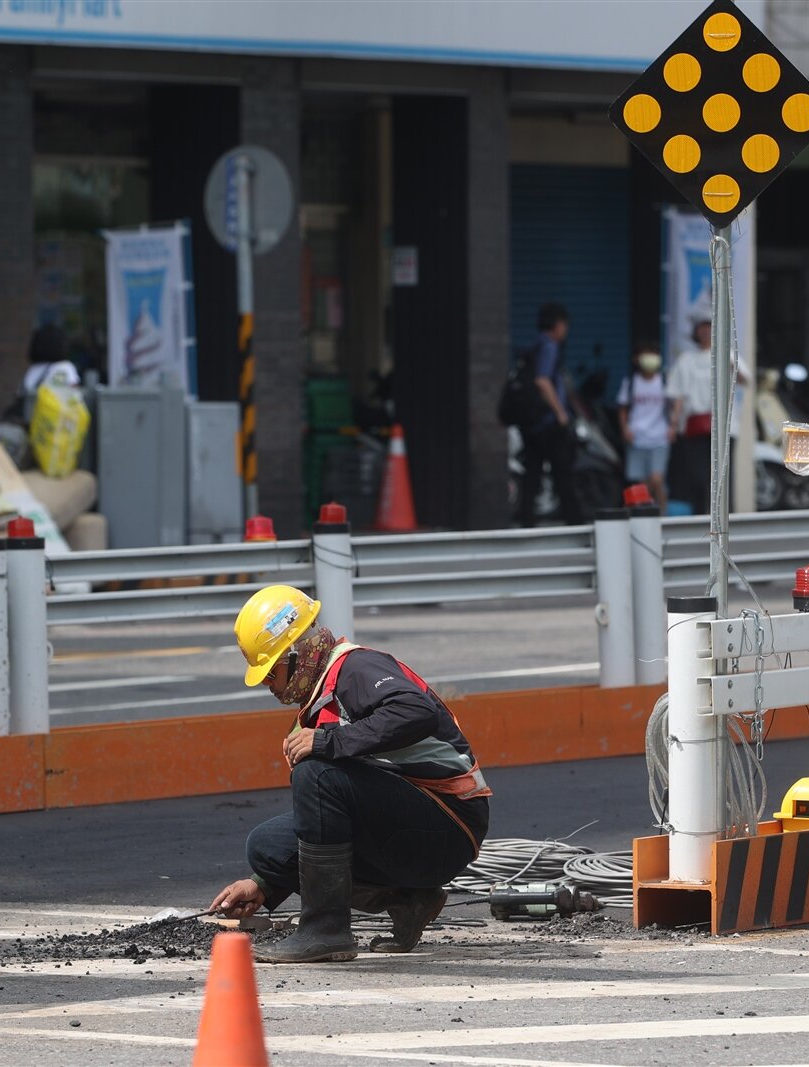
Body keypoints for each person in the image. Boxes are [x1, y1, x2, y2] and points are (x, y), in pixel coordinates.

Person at [210, 585, 491, 963]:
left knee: (317, 773)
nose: (267, 684)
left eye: (271, 671)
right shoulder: (322, 697)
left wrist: (328, 742)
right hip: (411, 827)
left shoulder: (356, 668)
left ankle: (325, 931)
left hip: (449, 822)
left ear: (297, 655)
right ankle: (409, 900)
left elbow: (416, 712)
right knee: (266, 847)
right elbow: (331, 816)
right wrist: (263, 886)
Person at [666, 317, 747, 513]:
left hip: (723, 425)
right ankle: (701, 515)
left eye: (709, 328)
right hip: (695, 425)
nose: (704, 332)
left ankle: (726, 517)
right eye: (701, 328)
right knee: (697, 475)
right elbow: (678, 395)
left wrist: (727, 359)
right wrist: (674, 424)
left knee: (723, 475)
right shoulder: (687, 359)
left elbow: (745, 379)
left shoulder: (726, 354)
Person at [517, 302, 585, 526]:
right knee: (563, 472)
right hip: (548, 422)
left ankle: (526, 520)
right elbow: (543, 381)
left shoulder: (535, 345)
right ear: (557, 325)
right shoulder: (550, 346)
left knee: (533, 472)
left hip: (532, 423)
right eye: (564, 324)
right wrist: (561, 413)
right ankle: (575, 522)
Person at [616, 343, 672, 511]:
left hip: (659, 437)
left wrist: (673, 427)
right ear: (636, 359)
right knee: (641, 484)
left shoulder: (664, 381)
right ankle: (644, 516)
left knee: (657, 479)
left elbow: (675, 404)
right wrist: (625, 429)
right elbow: (622, 408)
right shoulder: (631, 383)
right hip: (637, 438)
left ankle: (663, 514)